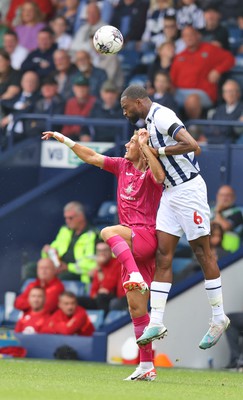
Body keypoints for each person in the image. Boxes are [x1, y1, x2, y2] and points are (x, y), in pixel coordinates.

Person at [41, 124, 165, 381]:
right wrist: (64, 139)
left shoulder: (150, 169)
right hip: (130, 245)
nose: (126, 146)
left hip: (144, 236)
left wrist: (144, 145)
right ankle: (146, 366)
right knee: (136, 309)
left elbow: (160, 177)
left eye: (130, 143)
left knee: (106, 231)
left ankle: (133, 273)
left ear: (142, 148)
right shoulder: (122, 165)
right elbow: (91, 156)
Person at [119, 84, 230, 351]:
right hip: (169, 194)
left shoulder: (163, 116)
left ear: (137, 102)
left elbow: (193, 146)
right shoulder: (148, 123)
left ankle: (218, 317)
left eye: (125, 108)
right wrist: (146, 147)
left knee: (203, 253)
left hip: (189, 190)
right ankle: (156, 320)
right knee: (163, 255)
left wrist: (158, 151)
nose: (124, 114)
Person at [170, 25, 235, 110]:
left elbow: (230, 58)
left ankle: (193, 123)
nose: (189, 38)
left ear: (198, 35)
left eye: (191, 34)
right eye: (185, 36)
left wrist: (218, 70)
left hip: (203, 93)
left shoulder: (209, 49)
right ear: (182, 39)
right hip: (180, 92)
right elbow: (171, 79)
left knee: (192, 100)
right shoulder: (179, 56)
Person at [41, 201, 99, 284]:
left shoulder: (93, 235)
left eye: (70, 218)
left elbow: (92, 265)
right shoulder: (65, 230)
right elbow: (53, 248)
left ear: (81, 217)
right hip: (58, 267)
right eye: (66, 218)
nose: (67, 221)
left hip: (78, 273)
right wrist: (47, 252)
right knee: (31, 269)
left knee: (60, 278)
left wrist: (68, 267)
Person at [77, 240, 126, 316]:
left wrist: (99, 268)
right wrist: (96, 294)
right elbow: (93, 291)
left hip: (115, 297)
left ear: (110, 251)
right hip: (100, 297)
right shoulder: (100, 266)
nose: (102, 254)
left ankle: (104, 324)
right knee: (77, 301)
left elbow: (109, 287)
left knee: (102, 297)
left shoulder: (117, 264)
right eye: (99, 251)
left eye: (105, 250)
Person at [206, 79, 243, 145]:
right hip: (214, 142)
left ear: (238, 93)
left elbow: (234, 131)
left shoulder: (241, 108)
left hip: (230, 145)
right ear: (223, 95)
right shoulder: (219, 109)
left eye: (231, 91)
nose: (229, 94)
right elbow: (210, 129)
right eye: (226, 91)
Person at [61, 75, 96, 140]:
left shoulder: (94, 102)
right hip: (72, 136)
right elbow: (66, 125)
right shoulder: (70, 102)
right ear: (73, 88)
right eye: (78, 87)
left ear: (88, 88)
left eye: (83, 87)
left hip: (88, 136)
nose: (80, 89)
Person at [211, 185, 243, 252]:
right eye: (222, 195)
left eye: (228, 195)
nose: (224, 198)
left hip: (228, 251)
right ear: (217, 196)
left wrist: (218, 212)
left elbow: (224, 227)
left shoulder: (238, 212)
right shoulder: (209, 211)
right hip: (209, 249)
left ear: (234, 197)